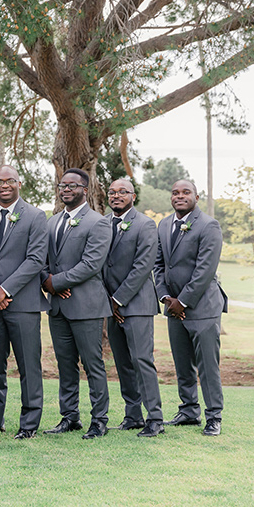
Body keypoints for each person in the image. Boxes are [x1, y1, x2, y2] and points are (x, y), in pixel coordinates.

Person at [0, 165, 49, 440]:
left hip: (24, 305)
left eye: (9, 181)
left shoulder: (35, 216)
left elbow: (36, 259)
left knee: (29, 366)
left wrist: (5, 290)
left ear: (19, 183)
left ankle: (29, 424)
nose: (4, 185)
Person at [42, 168, 112, 439]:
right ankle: (69, 417)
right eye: (62, 185)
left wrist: (55, 283)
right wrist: (47, 282)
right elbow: (41, 259)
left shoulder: (98, 222)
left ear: (85, 189)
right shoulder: (51, 222)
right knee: (65, 364)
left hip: (86, 307)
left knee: (92, 364)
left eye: (73, 185)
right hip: (58, 307)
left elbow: (92, 264)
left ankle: (100, 420)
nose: (66, 189)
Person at [154, 179, 227, 436]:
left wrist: (182, 301)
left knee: (207, 365)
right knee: (182, 363)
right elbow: (159, 265)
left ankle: (214, 416)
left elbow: (205, 270)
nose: (179, 196)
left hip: (202, 308)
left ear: (196, 196)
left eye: (186, 192)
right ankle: (188, 411)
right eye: (175, 192)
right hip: (173, 308)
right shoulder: (163, 224)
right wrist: (166, 298)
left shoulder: (209, 226)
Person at [103, 178, 164, 438]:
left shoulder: (146, 224)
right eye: (112, 192)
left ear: (133, 196)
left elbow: (143, 266)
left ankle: (156, 419)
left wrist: (119, 299)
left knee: (141, 361)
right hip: (109, 305)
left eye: (122, 192)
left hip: (136, 304)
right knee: (123, 363)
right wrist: (108, 300)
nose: (117, 196)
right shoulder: (103, 224)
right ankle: (133, 415)